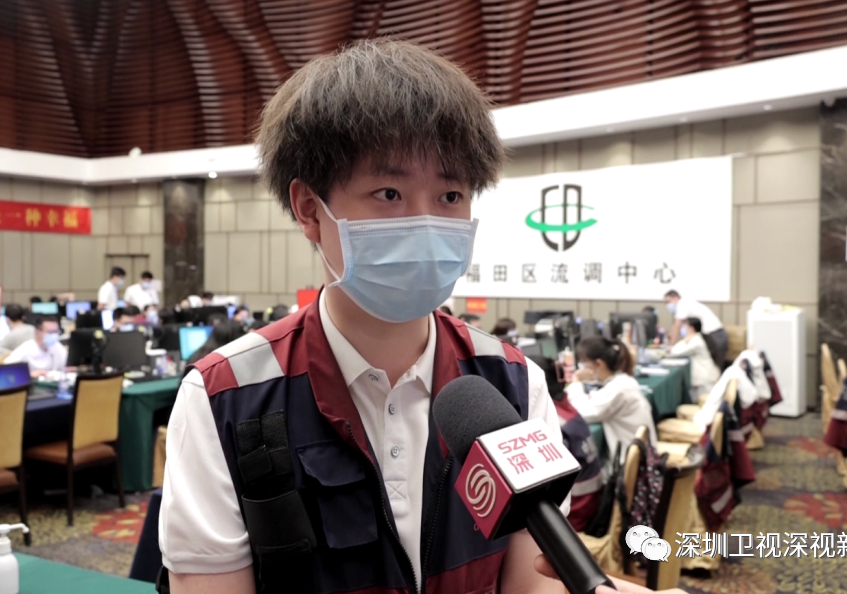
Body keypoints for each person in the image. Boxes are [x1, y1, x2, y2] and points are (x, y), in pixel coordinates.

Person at [159, 40, 618, 594]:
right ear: (310, 209)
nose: (425, 223)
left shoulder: (513, 383)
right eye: (390, 192)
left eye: (451, 195)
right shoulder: (224, 397)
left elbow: (532, 584)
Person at [567, 335, 656, 462]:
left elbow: (581, 413)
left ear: (598, 364)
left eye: (584, 364)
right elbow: (596, 400)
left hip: (631, 464)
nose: (581, 369)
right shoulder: (623, 381)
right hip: (641, 458)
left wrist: (576, 382)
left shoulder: (618, 389)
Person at [664, 290, 728, 366]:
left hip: (715, 335)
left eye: (668, 302)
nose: (668, 305)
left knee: (715, 364)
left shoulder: (682, 304)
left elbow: (676, 327)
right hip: (714, 334)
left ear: (676, 297)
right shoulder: (687, 303)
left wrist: (671, 346)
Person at [669, 317, 721, 401]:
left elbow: (674, 351)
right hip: (704, 376)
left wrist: (685, 340)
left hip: (704, 379)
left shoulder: (696, 341)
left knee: (703, 403)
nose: (683, 329)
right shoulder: (698, 338)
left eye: (684, 326)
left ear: (692, 328)